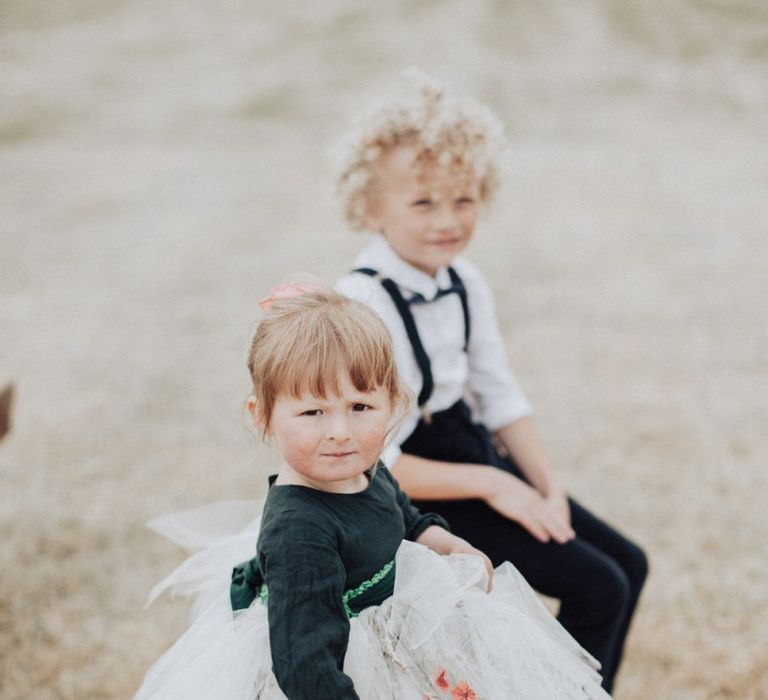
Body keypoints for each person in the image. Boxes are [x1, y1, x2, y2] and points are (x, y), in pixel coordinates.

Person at [135, 284, 611, 699]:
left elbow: (394, 505)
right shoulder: (299, 531)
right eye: (312, 413)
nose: (340, 431)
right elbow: (306, 668)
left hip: (397, 633)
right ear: (263, 417)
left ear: (392, 403)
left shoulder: (362, 464)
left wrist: (436, 538)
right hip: (341, 668)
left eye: (360, 406)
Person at [335, 75, 648, 693]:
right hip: (408, 490)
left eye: (464, 200)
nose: (447, 221)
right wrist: (495, 483)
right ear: (371, 207)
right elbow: (375, 460)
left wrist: (546, 486)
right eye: (423, 203)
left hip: (471, 451)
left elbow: (500, 396)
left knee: (629, 565)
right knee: (597, 583)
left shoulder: (466, 281)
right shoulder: (362, 299)